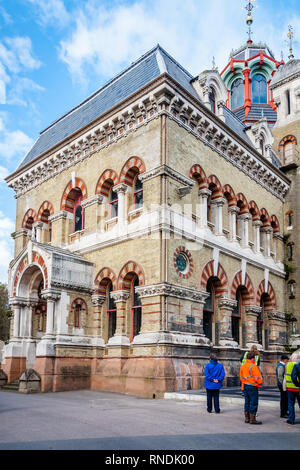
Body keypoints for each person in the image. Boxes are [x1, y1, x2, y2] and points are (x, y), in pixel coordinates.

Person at [240, 351, 263, 424]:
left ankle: (247, 418)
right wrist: (259, 384)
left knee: (247, 402)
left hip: (245, 386)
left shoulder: (243, 366)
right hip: (253, 386)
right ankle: (252, 419)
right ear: (252, 358)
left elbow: (241, 377)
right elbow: (259, 378)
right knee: (253, 402)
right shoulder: (253, 366)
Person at [285, 351, 300, 425]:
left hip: (290, 387)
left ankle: (291, 419)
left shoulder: (288, 365)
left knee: (291, 404)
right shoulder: (298, 365)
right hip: (298, 387)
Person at [276, 354, 289, 418]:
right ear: (284, 360)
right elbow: (280, 376)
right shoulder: (281, 366)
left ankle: (285, 412)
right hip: (281, 385)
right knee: (284, 399)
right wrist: (282, 384)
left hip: (282, 384)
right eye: (287, 360)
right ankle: (283, 413)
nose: (287, 361)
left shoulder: (282, 365)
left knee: (285, 399)